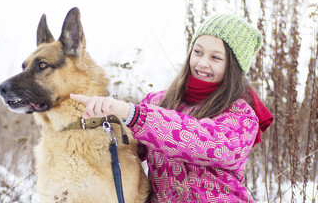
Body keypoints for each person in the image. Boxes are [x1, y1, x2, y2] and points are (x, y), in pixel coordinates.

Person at [70, 14, 274, 202]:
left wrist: (133, 114)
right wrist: (94, 124)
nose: (202, 63)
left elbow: (207, 144)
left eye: (216, 58)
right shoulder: (157, 102)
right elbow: (127, 148)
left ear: (233, 67)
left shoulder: (241, 115)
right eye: (198, 52)